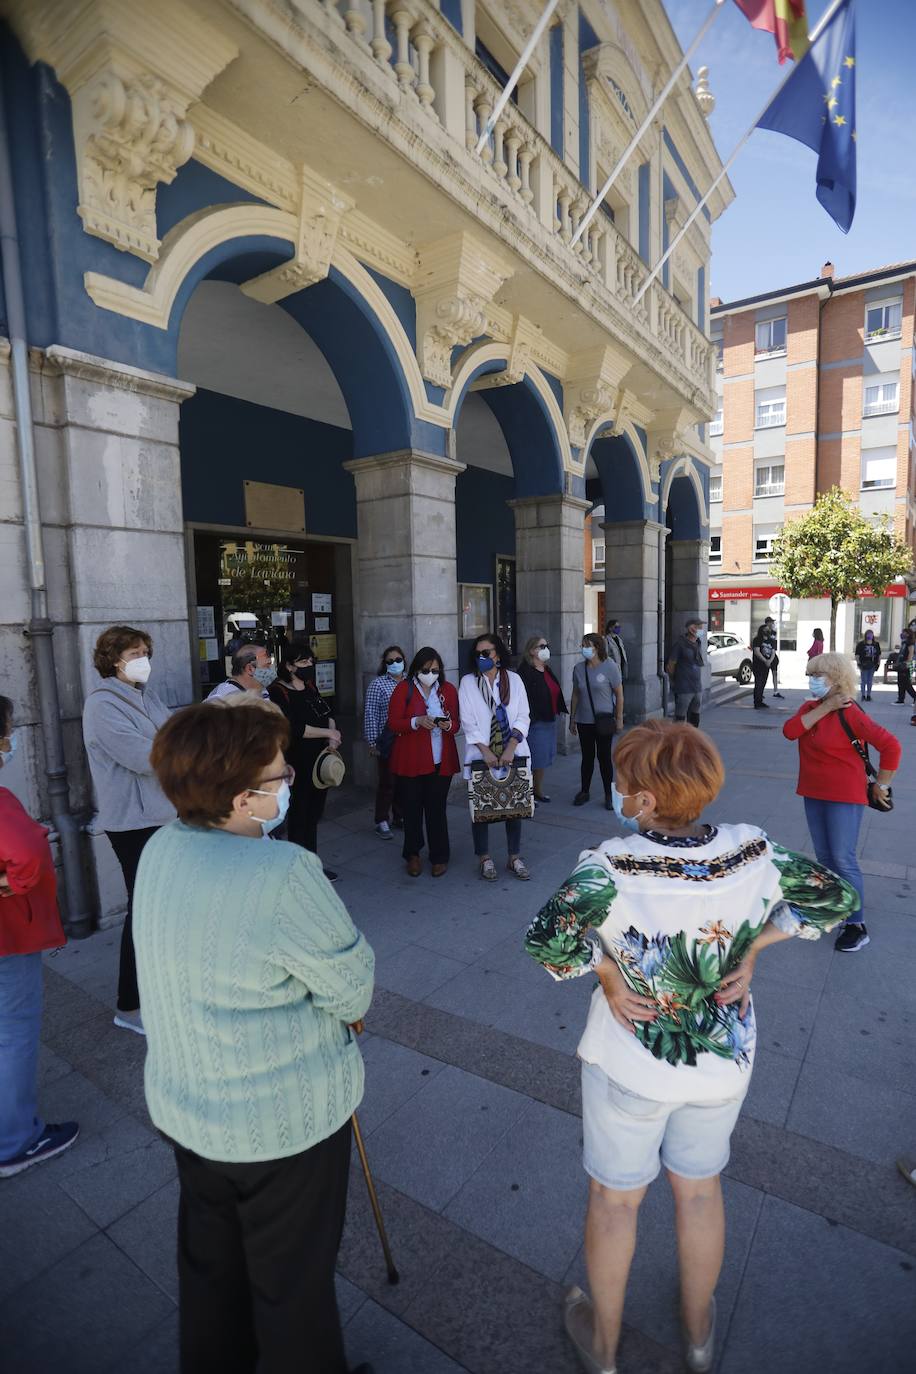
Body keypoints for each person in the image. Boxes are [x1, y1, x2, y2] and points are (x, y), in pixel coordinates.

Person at [522, 719, 859, 1374]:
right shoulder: (750, 849)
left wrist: (609, 973)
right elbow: (834, 896)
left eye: (624, 784)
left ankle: (605, 1344)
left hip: (631, 1064)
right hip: (722, 1062)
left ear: (644, 800)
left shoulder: (610, 865)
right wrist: (757, 946)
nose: (620, 794)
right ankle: (700, 1336)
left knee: (616, 1201)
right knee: (700, 1192)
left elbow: (546, 940)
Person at [133, 700, 374, 1374]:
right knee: (293, 1287)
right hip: (282, 1127)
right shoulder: (284, 872)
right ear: (243, 798)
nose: (289, 780)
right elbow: (353, 990)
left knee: (211, 1277)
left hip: (190, 1109)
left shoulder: (161, 846)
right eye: (279, 774)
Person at [82, 625, 175, 1034]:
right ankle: (130, 1006)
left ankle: (159, 990)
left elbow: (174, 737)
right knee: (146, 913)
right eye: (136, 652)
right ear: (113, 659)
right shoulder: (102, 705)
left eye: (145, 651)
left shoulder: (145, 695)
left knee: (165, 912)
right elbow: (145, 756)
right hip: (134, 823)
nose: (143, 659)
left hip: (165, 815)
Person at [0, 697, 79, 1177]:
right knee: (14, 1031)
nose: (9, 743)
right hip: (8, 937)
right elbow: (28, 857)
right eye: (6, 732)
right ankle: (15, 1141)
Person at [783, 652, 900, 953]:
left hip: (844, 795)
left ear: (836, 679)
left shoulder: (851, 713)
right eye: (809, 674)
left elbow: (891, 746)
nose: (811, 680)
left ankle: (857, 925)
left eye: (817, 676)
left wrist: (882, 785)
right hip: (814, 792)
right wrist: (826, 707)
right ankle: (835, 909)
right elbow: (790, 731)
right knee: (825, 857)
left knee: (843, 858)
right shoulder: (810, 708)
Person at [459, 634, 532, 881]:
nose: (482, 657)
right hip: (482, 754)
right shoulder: (469, 683)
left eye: (487, 652)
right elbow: (467, 720)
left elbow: (524, 715)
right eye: (478, 653)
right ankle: (485, 858)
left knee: (514, 805)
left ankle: (514, 857)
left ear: (497, 654)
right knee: (481, 806)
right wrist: (486, 750)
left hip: (514, 752)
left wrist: (511, 746)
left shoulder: (514, 680)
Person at [268, 640, 341, 882]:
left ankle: (312, 865)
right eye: (303, 661)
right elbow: (292, 728)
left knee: (313, 815)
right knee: (299, 816)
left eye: (310, 661)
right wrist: (327, 734)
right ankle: (297, 869)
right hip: (298, 762)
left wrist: (333, 734)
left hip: (320, 762)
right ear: (289, 666)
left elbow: (326, 712)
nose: (309, 665)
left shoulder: (309, 685)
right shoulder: (278, 691)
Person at [387, 648, 460, 878]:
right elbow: (394, 723)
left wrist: (448, 725)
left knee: (436, 810)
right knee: (411, 810)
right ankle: (413, 854)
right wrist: (416, 721)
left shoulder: (447, 690)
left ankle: (439, 856)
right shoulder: (403, 689)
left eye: (435, 670)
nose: (431, 674)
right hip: (411, 760)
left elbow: (457, 722)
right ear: (417, 669)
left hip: (441, 761)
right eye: (426, 670)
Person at [570, 634, 623, 810]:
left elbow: (619, 694)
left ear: (597, 647)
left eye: (587, 645)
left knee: (604, 757)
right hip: (584, 721)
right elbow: (576, 694)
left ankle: (609, 794)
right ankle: (584, 791)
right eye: (582, 644)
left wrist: (619, 718)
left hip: (604, 721)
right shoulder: (578, 668)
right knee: (587, 757)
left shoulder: (610, 667)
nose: (583, 648)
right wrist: (572, 719)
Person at [517, 635, 567, 803]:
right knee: (532, 760)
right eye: (541, 646)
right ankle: (526, 796)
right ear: (531, 651)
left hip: (549, 718)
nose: (545, 649)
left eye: (547, 645)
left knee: (542, 760)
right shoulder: (525, 672)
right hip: (535, 722)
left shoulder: (546, 668)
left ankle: (537, 791)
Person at [363, 646, 407, 839]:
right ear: (384, 664)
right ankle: (381, 820)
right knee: (387, 783)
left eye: (398, 659)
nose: (395, 663)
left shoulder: (410, 682)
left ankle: (399, 816)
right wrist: (372, 742)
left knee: (403, 782)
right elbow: (370, 714)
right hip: (387, 740)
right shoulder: (378, 684)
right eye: (390, 661)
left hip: (408, 739)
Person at [666, 619, 705, 728]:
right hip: (684, 686)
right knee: (680, 716)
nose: (702, 629)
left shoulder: (698, 643)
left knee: (695, 715)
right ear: (692, 628)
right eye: (699, 627)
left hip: (697, 686)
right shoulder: (680, 644)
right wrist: (674, 680)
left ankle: (693, 737)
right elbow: (671, 664)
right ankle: (678, 739)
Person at [206, 644, 271, 701]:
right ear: (250, 669)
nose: (270, 671)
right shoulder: (223, 699)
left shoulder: (261, 691)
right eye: (266, 666)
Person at [751, 622, 775, 710]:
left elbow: (773, 652)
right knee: (758, 683)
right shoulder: (757, 640)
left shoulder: (771, 640)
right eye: (766, 630)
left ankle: (760, 701)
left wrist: (769, 661)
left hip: (766, 666)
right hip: (758, 665)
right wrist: (765, 660)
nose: (768, 631)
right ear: (762, 631)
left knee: (763, 683)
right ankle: (756, 702)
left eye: (768, 630)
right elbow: (757, 652)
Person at [854, 629, 881, 702]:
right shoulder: (861, 644)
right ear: (865, 635)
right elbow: (857, 655)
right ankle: (863, 695)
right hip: (864, 664)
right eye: (868, 634)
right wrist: (858, 663)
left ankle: (868, 695)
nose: (870, 636)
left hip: (872, 664)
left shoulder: (876, 644)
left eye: (871, 634)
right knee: (864, 680)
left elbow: (879, 655)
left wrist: (878, 663)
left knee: (870, 680)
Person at [895, 629, 916, 706]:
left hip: (906, 665)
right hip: (901, 664)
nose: (902, 634)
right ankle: (900, 699)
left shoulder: (910, 643)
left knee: (907, 683)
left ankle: (914, 697)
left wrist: (907, 663)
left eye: (904, 633)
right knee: (900, 683)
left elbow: (910, 654)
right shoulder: (904, 642)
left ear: (908, 634)